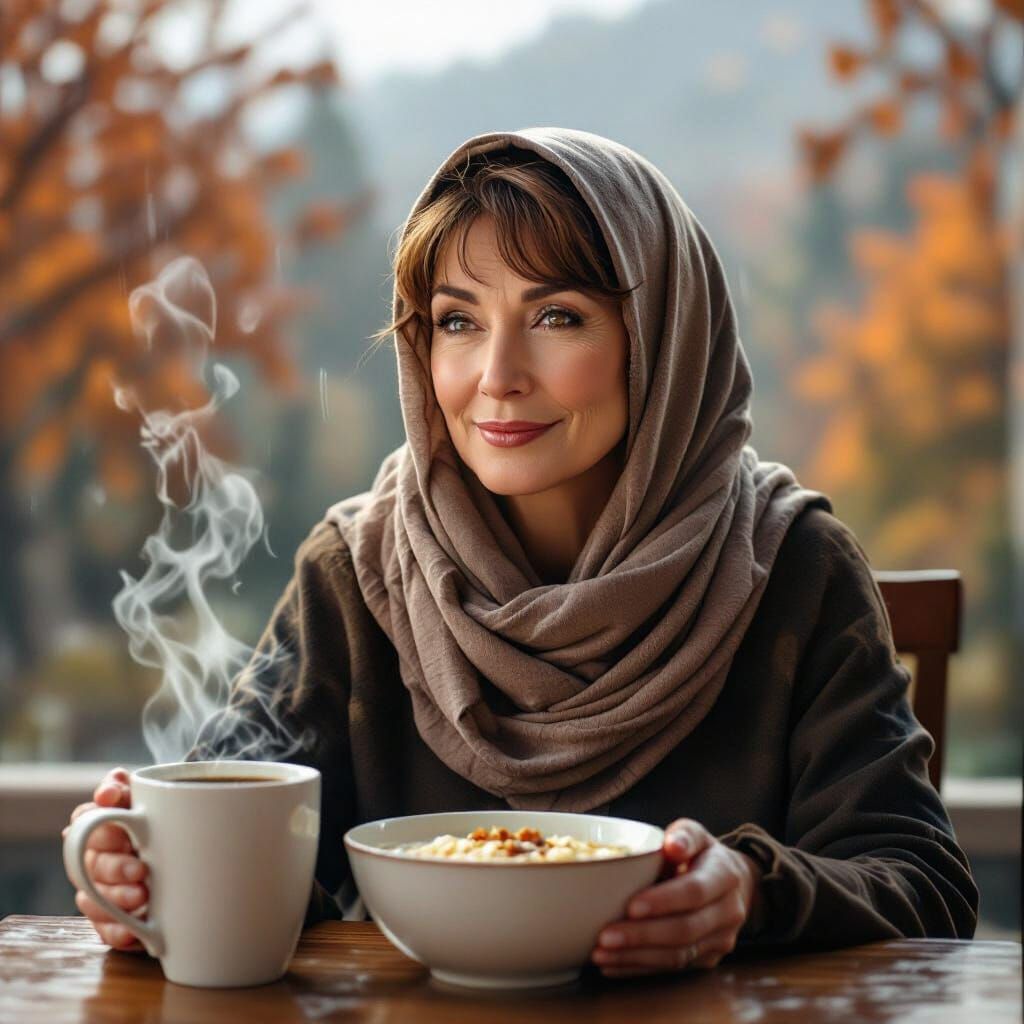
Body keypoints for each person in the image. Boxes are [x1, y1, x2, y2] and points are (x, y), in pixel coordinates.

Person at [63, 127, 978, 978]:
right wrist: (147, 871)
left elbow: (923, 885)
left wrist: (751, 891)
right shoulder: (360, 568)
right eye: (457, 321)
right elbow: (253, 850)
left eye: (558, 317)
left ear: (661, 340)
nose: (495, 375)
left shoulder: (795, 564)